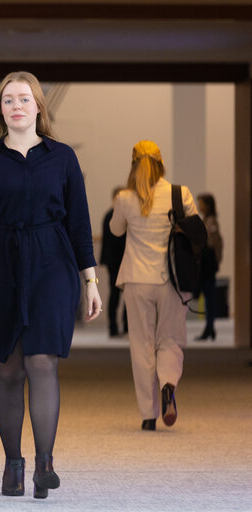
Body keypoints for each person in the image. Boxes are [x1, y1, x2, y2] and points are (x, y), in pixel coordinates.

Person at [0, 71, 101, 500]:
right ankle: (13, 463)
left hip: (52, 262)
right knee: (9, 367)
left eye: (24, 99)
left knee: (42, 362)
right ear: (0, 109)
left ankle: (45, 464)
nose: (16, 106)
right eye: (8, 100)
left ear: (39, 106)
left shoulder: (63, 157)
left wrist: (90, 281)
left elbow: (79, 223)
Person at [110, 140, 197, 431]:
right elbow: (196, 228)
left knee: (141, 345)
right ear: (161, 164)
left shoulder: (124, 197)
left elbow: (116, 230)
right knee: (170, 339)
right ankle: (168, 383)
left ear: (134, 165)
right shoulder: (178, 194)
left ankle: (149, 414)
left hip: (137, 279)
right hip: (171, 279)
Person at [101, 187, 128, 337]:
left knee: (122, 296)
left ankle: (123, 326)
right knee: (116, 295)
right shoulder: (112, 216)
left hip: (116, 261)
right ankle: (114, 327)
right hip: (116, 261)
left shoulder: (110, 215)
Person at [195, 193, 222, 341]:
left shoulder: (211, 221)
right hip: (208, 263)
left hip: (208, 264)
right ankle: (209, 327)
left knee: (209, 296)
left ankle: (210, 327)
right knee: (208, 296)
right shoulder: (207, 220)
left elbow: (212, 242)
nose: (199, 206)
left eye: (201, 203)